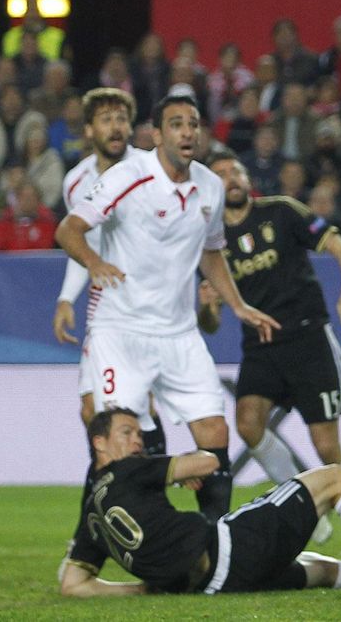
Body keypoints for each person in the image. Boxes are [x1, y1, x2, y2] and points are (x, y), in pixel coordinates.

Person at [55, 94, 278, 522]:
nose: (187, 132)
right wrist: (96, 263)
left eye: (193, 124)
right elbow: (70, 229)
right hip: (121, 330)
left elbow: (211, 253)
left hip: (179, 334)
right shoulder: (127, 176)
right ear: (157, 135)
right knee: (116, 438)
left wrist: (238, 304)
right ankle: (95, 539)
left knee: (215, 434)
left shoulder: (210, 186)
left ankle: (215, 543)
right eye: (176, 124)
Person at [58, 408, 341, 597]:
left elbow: (73, 584)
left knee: (319, 571)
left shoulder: (89, 511)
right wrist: (181, 471)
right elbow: (209, 461)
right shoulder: (131, 468)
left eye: (137, 434)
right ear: (99, 443)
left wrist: (142, 590)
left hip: (211, 587)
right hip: (232, 549)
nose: (137, 442)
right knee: (333, 477)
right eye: (127, 433)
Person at [204, 151, 341, 549]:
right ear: (210, 188)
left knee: (327, 445)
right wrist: (207, 307)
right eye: (221, 174)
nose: (232, 178)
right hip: (260, 348)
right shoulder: (209, 242)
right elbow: (208, 323)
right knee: (247, 423)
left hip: (308, 339)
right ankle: (310, 513)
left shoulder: (281, 211)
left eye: (236, 170)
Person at [51, 87, 168, 453]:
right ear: (88, 130)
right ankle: (108, 495)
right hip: (105, 303)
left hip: (148, 303)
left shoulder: (153, 170)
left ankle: (149, 482)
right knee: (91, 410)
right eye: (106, 120)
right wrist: (67, 298)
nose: (116, 127)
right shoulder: (75, 182)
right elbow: (87, 247)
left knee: (137, 407)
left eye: (122, 119)